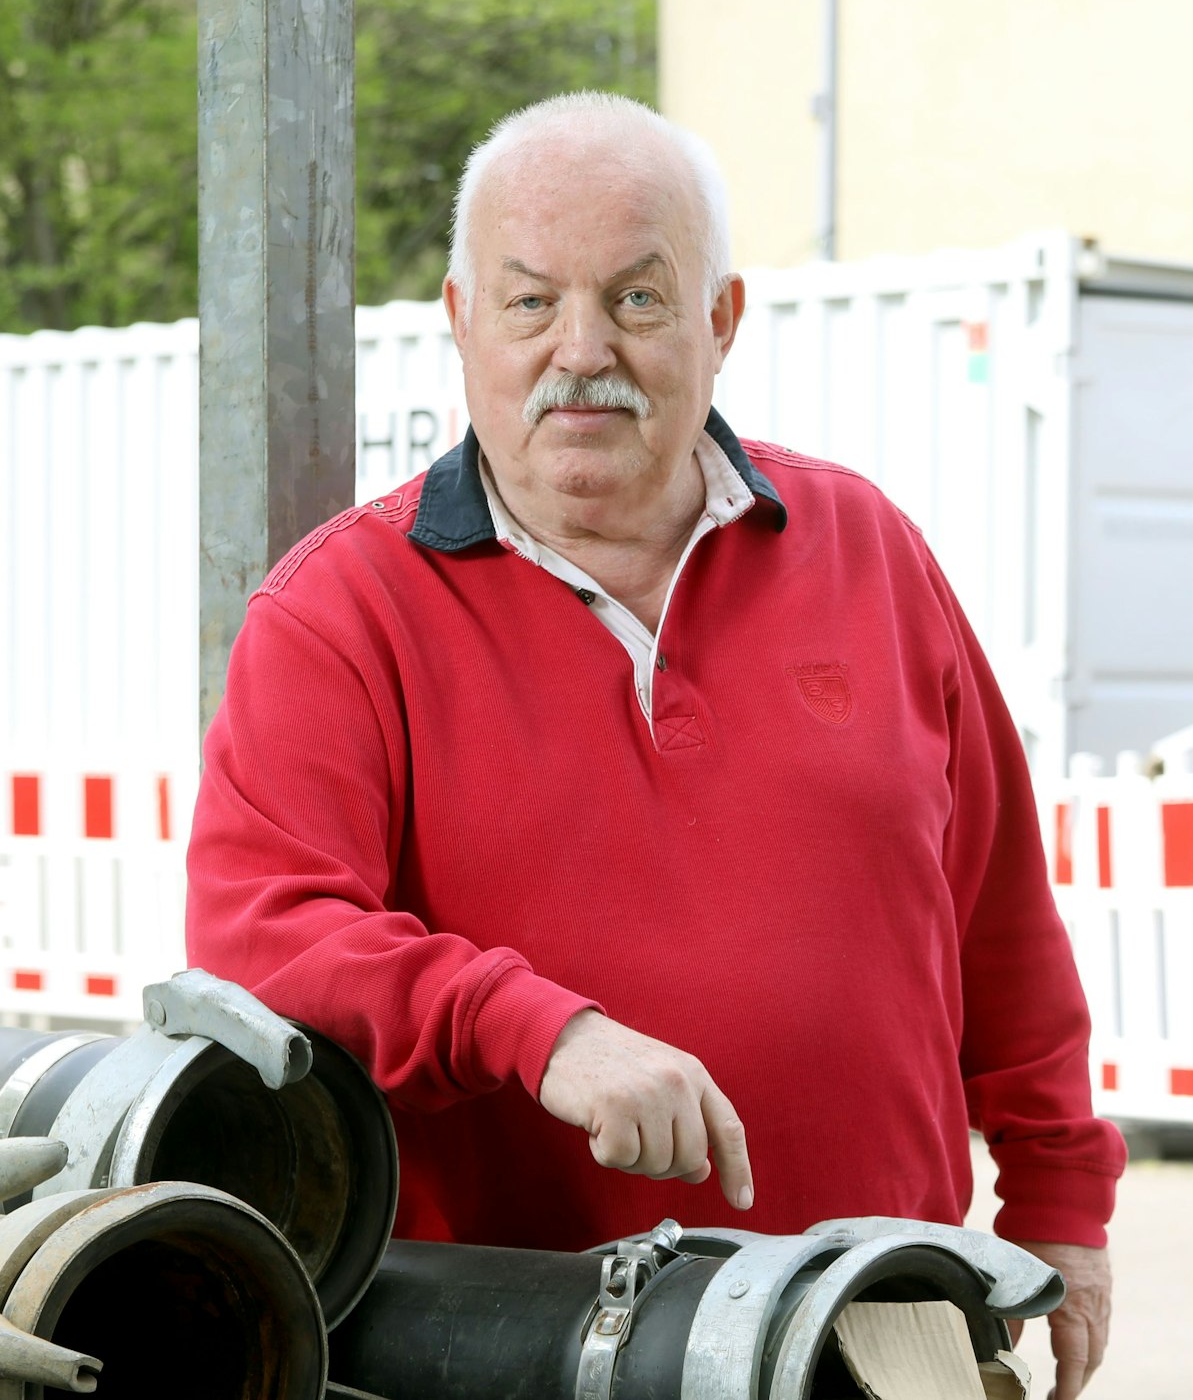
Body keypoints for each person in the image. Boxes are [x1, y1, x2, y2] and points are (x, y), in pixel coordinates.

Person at [185, 92, 1122, 1398]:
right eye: (528, 304)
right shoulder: (344, 611)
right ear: (461, 324)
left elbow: (1000, 916)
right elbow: (263, 930)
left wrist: (1064, 1197)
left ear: (720, 321)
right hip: (517, 1344)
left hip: (883, 1320)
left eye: (636, 300)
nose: (583, 349)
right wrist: (539, 1030)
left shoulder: (873, 555)